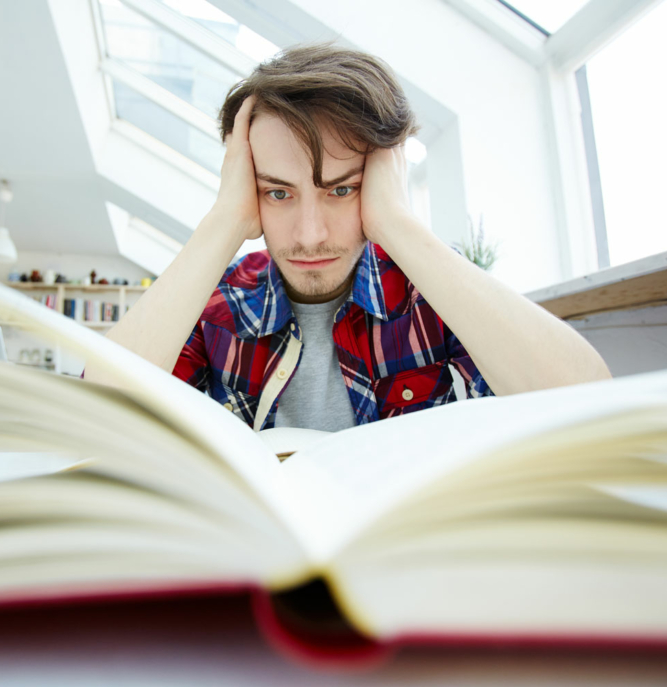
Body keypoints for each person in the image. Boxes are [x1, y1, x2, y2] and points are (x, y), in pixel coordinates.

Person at [105, 44, 611, 432]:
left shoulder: (428, 289)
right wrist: (222, 222)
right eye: (278, 194)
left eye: (341, 189)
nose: (309, 234)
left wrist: (395, 222)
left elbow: (589, 411)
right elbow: (98, 425)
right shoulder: (219, 302)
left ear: (380, 177)